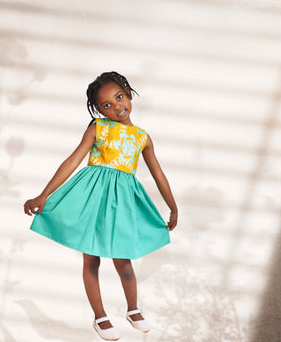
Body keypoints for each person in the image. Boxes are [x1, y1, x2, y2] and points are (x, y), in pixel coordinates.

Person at [24, 71, 178, 341]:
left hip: (122, 201)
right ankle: (100, 316)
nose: (116, 107)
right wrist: (44, 195)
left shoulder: (143, 137)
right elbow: (72, 161)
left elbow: (159, 174)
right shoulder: (98, 127)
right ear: (98, 109)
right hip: (92, 197)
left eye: (119, 98)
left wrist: (173, 207)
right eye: (107, 104)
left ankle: (133, 309)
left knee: (123, 259)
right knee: (91, 257)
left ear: (129, 93)